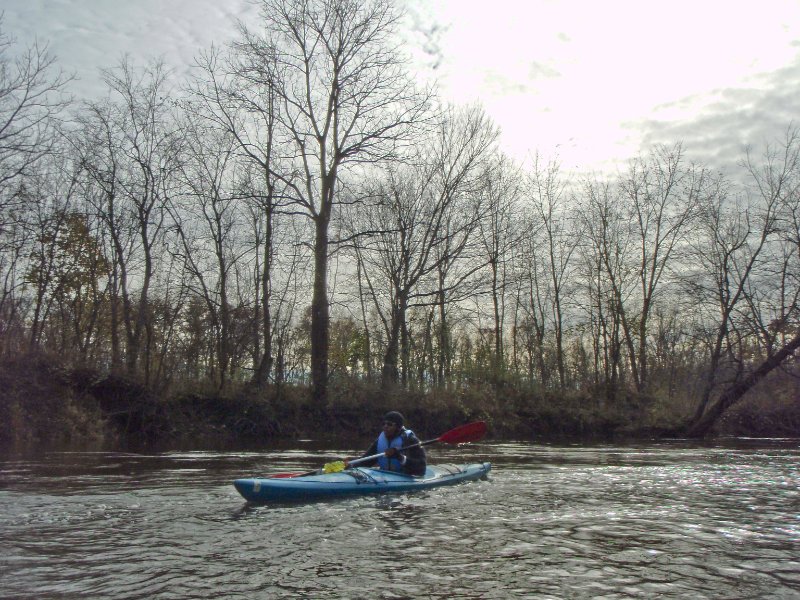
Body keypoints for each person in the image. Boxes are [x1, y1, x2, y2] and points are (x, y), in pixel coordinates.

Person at [351, 411, 427, 476]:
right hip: (385, 476)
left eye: (389, 424)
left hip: (404, 477)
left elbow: (421, 469)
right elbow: (366, 461)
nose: (385, 427)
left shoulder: (410, 440)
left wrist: (399, 457)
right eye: (384, 424)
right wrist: (351, 465)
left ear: (398, 427)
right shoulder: (380, 440)